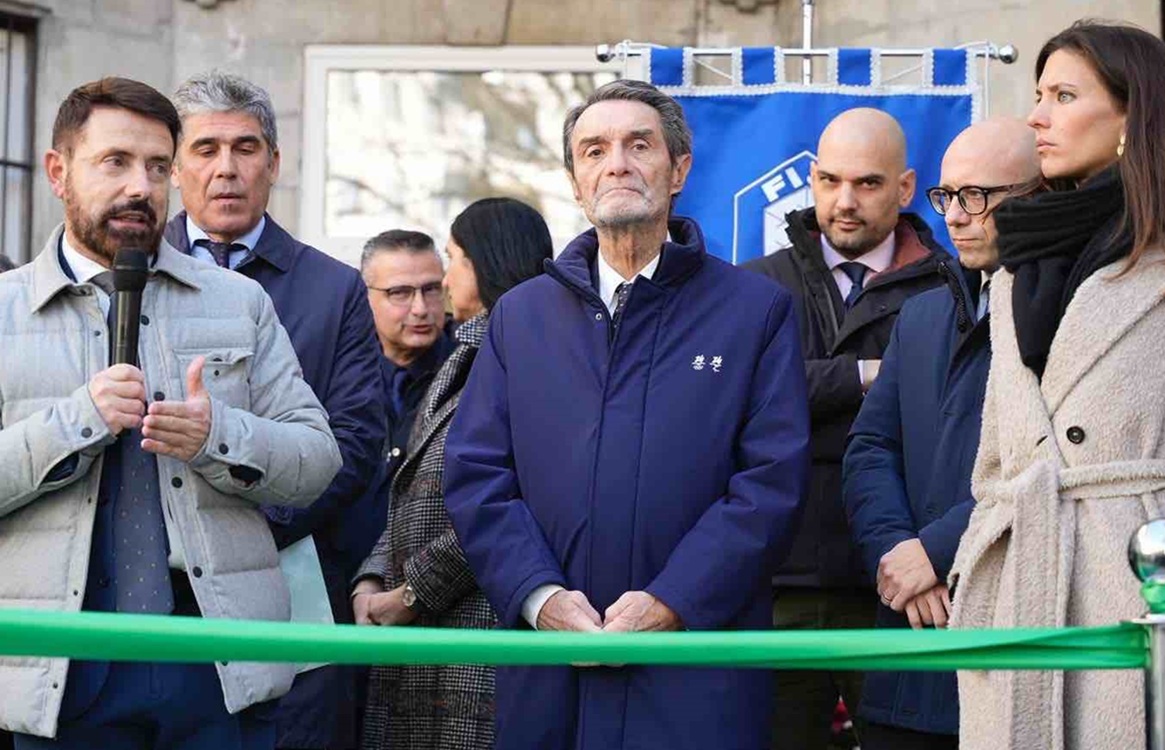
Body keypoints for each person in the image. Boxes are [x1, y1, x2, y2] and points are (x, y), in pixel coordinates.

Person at [442, 79, 810, 750]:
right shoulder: (520, 318)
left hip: (693, 668)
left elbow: (770, 485)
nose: (616, 163)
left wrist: (673, 602)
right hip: (550, 667)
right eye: (594, 150)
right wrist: (539, 598)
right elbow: (476, 476)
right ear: (575, 183)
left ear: (679, 170)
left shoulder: (754, 312)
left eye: (639, 145)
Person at [0, 77, 341, 748]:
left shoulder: (239, 301)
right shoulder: (3, 312)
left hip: (214, 663)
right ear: (58, 172)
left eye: (158, 166)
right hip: (60, 669)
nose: (142, 186)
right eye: (116, 162)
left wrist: (219, 435)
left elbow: (316, 462)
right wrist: (75, 422)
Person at [949, 21, 1165, 750]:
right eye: (1038, 96)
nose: (1038, 117)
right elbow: (998, 452)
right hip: (1019, 581)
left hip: (1147, 582)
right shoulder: (1020, 255)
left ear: (1132, 116)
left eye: (1063, 96)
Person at [161, 71, 385, 750]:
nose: (226, 168)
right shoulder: (125, 273)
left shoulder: (334, 287)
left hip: (291, 573)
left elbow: (355, 439)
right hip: (154, 579)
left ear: (275, 162)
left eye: (245, 147)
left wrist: (256, 529)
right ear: (174, 166)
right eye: (205, 149)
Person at [741, 107, 953, 749]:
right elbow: (746, 400)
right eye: (830, 181)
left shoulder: (949, 287)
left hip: (902, 582)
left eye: (867, 183)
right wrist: (869, 376)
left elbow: (951, 419)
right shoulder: (754, 286)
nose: (845, 201)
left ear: (906, 187)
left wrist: (809, 396)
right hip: (777, 581)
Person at [841, 118, 1040, 750]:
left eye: (977, 196)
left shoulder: (1063, 316)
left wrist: (935, 551)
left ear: (1038, 195)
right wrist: (898, 552)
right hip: (906, 639)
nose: (955, 215)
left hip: (1007, 636)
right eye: (947, 195)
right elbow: (870, 449)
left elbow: (1047, 463)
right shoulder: (922, 314)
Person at [352, 197, 553, 750]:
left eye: (453, 258)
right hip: (421, 633)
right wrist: (372, 577)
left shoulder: (529, 358)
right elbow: (413, 486)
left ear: (487, 262)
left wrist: (411, 593)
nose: (445, 279)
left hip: (474, 629)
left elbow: (506, 503)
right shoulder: (465, 355)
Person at [352, 230, 454, 568]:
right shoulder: (339, 370)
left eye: (431, 289)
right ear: (365, 296)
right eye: (400, 293)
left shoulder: (470, 369)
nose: (421, 308)